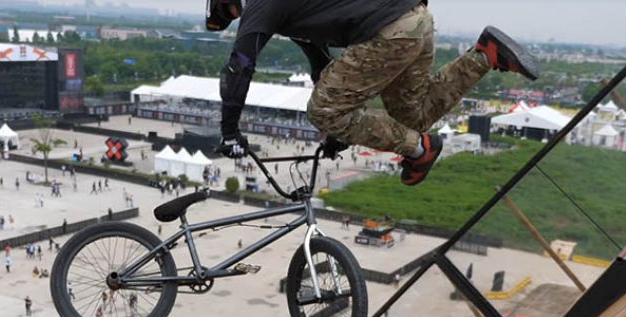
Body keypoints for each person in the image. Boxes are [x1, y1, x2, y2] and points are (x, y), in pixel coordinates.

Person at [209, 0, 538, 185]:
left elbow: (240, 65)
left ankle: (420, 150)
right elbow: (321, 65)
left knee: (322, 111)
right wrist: (341, 132)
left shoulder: (261, 5)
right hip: (416, 21)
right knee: (412, 117)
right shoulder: (297, 9)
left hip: (387, 30)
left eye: (233, 13)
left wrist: (229, 132)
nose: (240, 19)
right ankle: (487, 54)